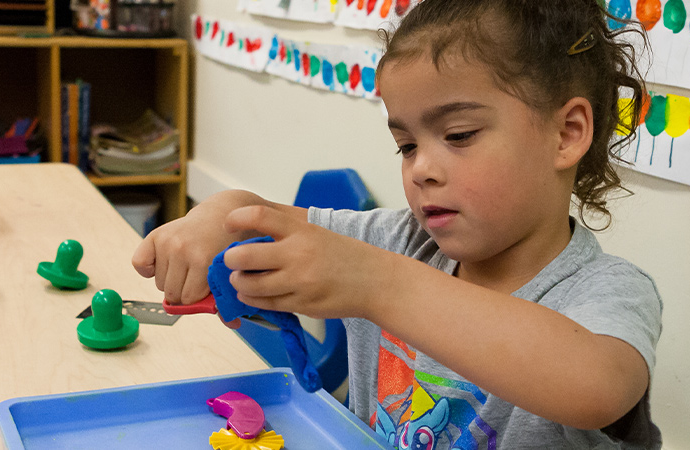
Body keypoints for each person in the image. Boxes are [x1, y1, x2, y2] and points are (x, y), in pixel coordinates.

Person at [132, 0, 662, 448]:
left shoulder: (607, 290)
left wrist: (378, 285)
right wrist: (217, 216)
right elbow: (257, 222)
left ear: (567, 133)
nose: (421, 169)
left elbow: (595, 387)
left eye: (457, 135)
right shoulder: (401, 241)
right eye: (406, 145)